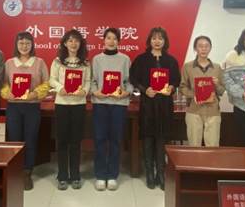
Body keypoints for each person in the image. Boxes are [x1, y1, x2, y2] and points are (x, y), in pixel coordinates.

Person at [130, 27, 180, 190]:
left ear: (165, 41)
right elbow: (133, 78)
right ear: (149, 41)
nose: (157, 41)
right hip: (148, 104)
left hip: (165, 105)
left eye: (160, 38)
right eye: (154, 38)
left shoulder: (171, 61)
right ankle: (150, 173)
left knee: (161, 138)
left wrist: (171, 87)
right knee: (148, 138)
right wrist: (145, 90)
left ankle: (161, 173)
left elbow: (176, 80)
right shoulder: (141, 59)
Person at [2, 31, 49, 190]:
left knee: (30, 139)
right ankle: (15, 172)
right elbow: (3, 83)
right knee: (14, 140)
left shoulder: (40, 62)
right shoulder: (9, 63)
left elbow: (46, 83)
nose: (24, 46)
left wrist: (35, 94)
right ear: (16, 45)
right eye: (21, 43)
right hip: (14, 107)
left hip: (32, 106)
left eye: (27, 43)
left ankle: (27, 172)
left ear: (32, 45)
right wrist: (6, 93)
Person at [91, 28, 133, 191]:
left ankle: (113, 175)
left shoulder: (125, 59)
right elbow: (92, 81)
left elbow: (129, 82)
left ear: (118, 41)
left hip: (119, 104)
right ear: (103, 40)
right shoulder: (96, 59)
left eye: (115, 38)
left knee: (116, 140)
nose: (111, 41)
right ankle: (101, 175)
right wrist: (96, 92)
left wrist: (126, 92)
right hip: (100, 103)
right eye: (108, 38)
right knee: (100, 139)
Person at [49, 29, 91, 190]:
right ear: (65, 43)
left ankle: (75, 175)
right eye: (70, 40)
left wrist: (84, 91)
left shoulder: (85, 63)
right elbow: (52, 79)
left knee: (76, 141)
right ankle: (62, 175)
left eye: (77, 41)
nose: (74, 43)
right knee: (62, 140)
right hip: (62, 104)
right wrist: (60, 87)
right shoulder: (57, 61)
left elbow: (87, 81)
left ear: (81, 44)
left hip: (78, 105)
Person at [179, 35, 225, 147]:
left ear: (210, 48)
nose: (203, 49)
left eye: (206, 46)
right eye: (200, 46)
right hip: (194, 110)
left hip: (213, 110)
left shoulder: (217, 67)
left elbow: (221, 90)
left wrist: (216, 84)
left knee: (213, 145)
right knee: (194, 145)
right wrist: (194, 95)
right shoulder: (187, 67)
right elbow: (182, 87)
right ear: (195, 48)